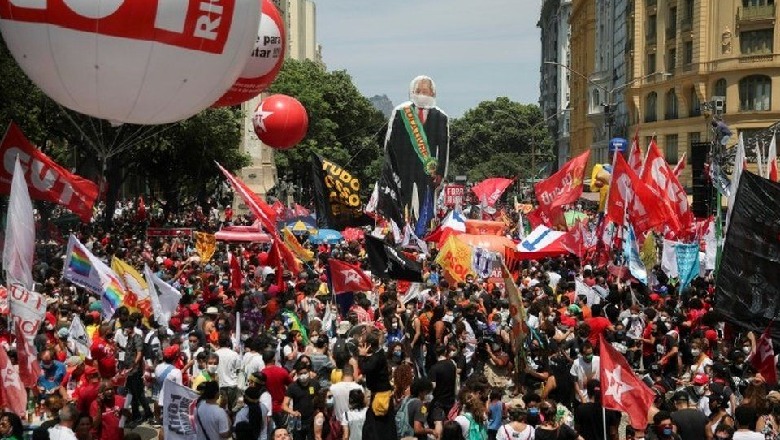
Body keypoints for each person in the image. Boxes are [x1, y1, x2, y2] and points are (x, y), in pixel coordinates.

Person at [383, 75, 450, 225]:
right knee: (401, 200)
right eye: (418, 91)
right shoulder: (401, 112)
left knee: (426, 203)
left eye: (425, 91)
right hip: (403, 168)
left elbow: (444, 147)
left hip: (427, 170)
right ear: (412, 92)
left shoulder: (441, 117)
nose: (421, 94)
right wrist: (390, 168)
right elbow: (391, 142)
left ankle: (424, 230)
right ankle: (400, 227)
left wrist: (440, 173)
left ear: (432, 94)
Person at [358, 328, 396, 440]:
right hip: (379, 394)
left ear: (368, 345)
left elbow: (365, 369)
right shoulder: (377, 354)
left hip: (381, 396)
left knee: (377, 427)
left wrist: (361, 356)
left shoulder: (377, 357)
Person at [283, 362, 319, 440]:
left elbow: (319, 398)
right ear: (297, 374)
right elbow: (284, 405)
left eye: (305, 373)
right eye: (300, 373)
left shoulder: (315, 384)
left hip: (312, 420)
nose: (303, 375)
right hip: (298, 421)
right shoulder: (292, 387)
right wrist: (292, 412)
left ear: (309, 372)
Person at [262, 349, 293, 429]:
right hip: (281, 408)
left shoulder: (261, 374)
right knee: (282, 431)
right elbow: (292, 386)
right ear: (273, 359)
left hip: (267, 409)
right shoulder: (282, 371)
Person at [215, 332, 241, 412]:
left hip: (220, 385)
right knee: (232, 410)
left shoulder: (215, 354)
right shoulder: (234, 354)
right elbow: (238, 370)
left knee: (221, 409)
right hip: (232, 385)